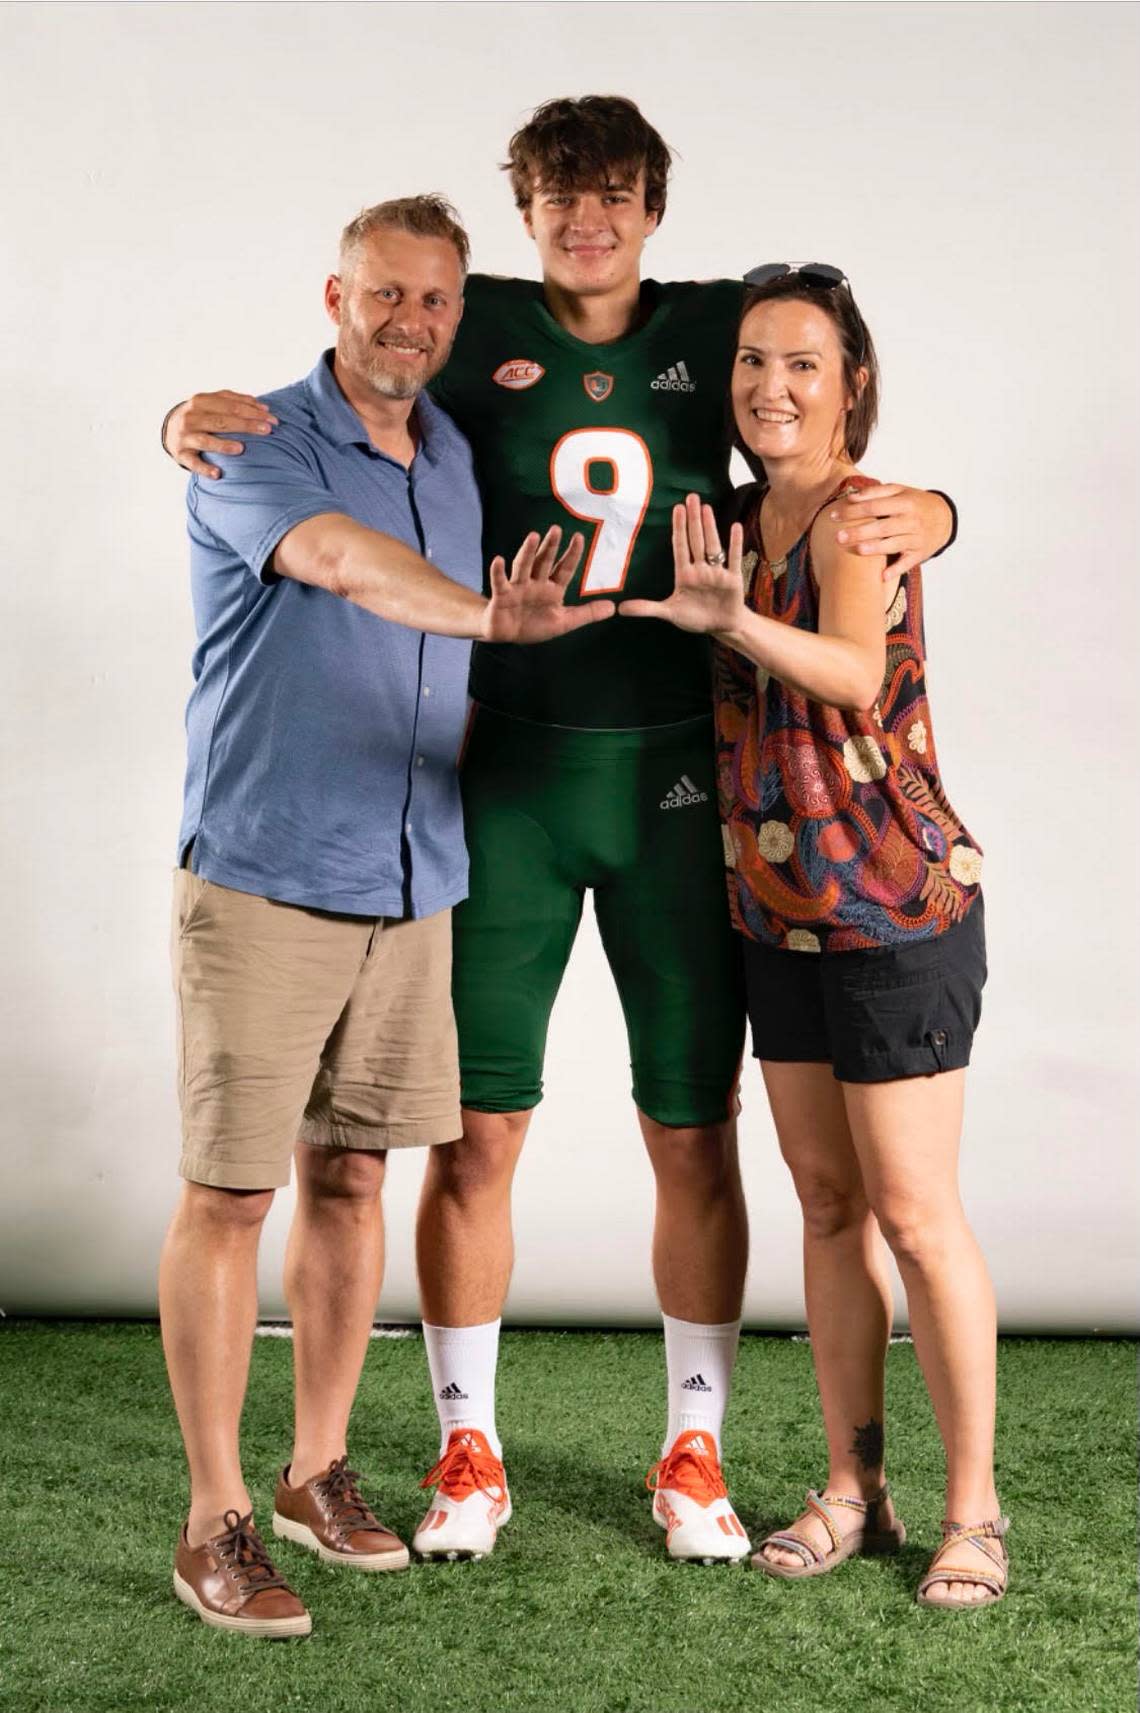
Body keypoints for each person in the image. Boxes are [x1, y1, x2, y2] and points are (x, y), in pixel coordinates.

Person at [161, 96, 958, 1567]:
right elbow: (339, 390)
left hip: (676, 776)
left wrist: (939, 506)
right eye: (558, 197)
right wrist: (178, 416)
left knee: (690, 1126)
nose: (587, 223)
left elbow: (823, 419)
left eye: (615, 197)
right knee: (479, 1130)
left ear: (657, 208)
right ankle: (469, 1437)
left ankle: (694, 1441)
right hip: (505, 774)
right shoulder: (467, 319)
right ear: (523, 212)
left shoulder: (719, 320)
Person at [161, 193, 608, 1637]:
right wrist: (484, 620)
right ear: (333, 296)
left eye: (436, 300)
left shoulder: (463, 451)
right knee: (235, 1195)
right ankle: (214, 1514)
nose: (410, 320)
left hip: (415, 880)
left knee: (354, 1179)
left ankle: (313, 1469)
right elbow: (342, 561)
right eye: (385, 295)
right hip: (267, 873)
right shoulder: (254, 442)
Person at [622, 263, 1005, 1608]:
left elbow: (848, 672)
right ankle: (855, 1487)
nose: (770, 387)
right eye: (750, 362)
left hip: (895, 905)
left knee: (914, 1211)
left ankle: (976, 1514)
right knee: (830, 1206)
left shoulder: (866, 516)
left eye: (801, 364)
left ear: (852, 384)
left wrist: (734, 620)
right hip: (774, 917)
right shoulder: (724, 517)